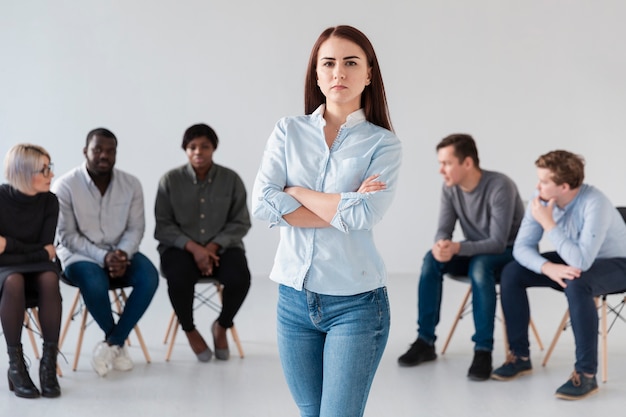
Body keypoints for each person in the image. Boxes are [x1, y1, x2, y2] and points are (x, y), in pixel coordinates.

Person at [252, 25, 401, 417]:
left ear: (369, 73)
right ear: (316, 74)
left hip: (356, 304)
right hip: (293, 301)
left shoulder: (383, 144)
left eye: (351, 63)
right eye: (329, 63)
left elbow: (364, 215)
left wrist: (296, 192)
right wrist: (340, 206)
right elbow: (264, 205)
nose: (339, 72)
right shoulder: (288, 131)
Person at [492, 150, 626, 399]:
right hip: (575, 258)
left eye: (544, 181)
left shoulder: (595, 203)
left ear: (564, 187)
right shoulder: (540, 198)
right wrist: (547, 267)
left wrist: (549, 224)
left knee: (577, 282)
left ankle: (586, 375)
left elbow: (581, 261)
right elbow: (521, 248)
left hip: (617, 264)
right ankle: (520, 356)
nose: (537, 186)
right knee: (512, 272)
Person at [397, 133, 525, 381]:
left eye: (446, 163)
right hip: (476, 249)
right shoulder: (450, 189)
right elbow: (444, 229)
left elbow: (497, 242)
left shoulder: (500, 186)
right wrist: (441, 245)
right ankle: (425, 341)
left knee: (479, 266)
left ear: (467, 163)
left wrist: (456, 248)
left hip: (508, 253)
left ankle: (483, 349)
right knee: (430, 260)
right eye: (440, 163)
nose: (440, 170)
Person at [52, 128, 159, 377]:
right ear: (85, 151)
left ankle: (110, 344)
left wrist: (122, 253)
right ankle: (118, 344)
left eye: (110, 151)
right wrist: (103, 257)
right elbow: (67, 236)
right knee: (93, 280)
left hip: (121, 252)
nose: (104, 155)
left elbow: (136, 228)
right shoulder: (65, 186)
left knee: (149, 277)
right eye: (97, 149)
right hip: (79, 256)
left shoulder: (131, 184)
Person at [155, 123, 251, 362]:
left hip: (221, 248)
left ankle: (222, 325)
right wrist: (195, 249)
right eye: (192, 147)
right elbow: (163, 226)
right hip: (180, 248)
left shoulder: (231, 179)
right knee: (178, 277)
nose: (198, 152)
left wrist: (211, 248)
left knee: (240, 277)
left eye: (205, 146)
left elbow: (241, 222)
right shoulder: (170, 180)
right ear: (185, 150)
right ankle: (189, 329)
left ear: (214, 148)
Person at [0, 144, 61, 399]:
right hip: (5, 271)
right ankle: (16, 366)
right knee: (13, 281)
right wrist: (40, 252)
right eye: (44, 170)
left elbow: (48, 248)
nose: (51, 175)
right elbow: (43, 249)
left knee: (49, 278)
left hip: (37, 267)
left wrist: (8, 246)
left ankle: (49, 365)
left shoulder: (50, 201)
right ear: (23, 172)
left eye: (50, 167)